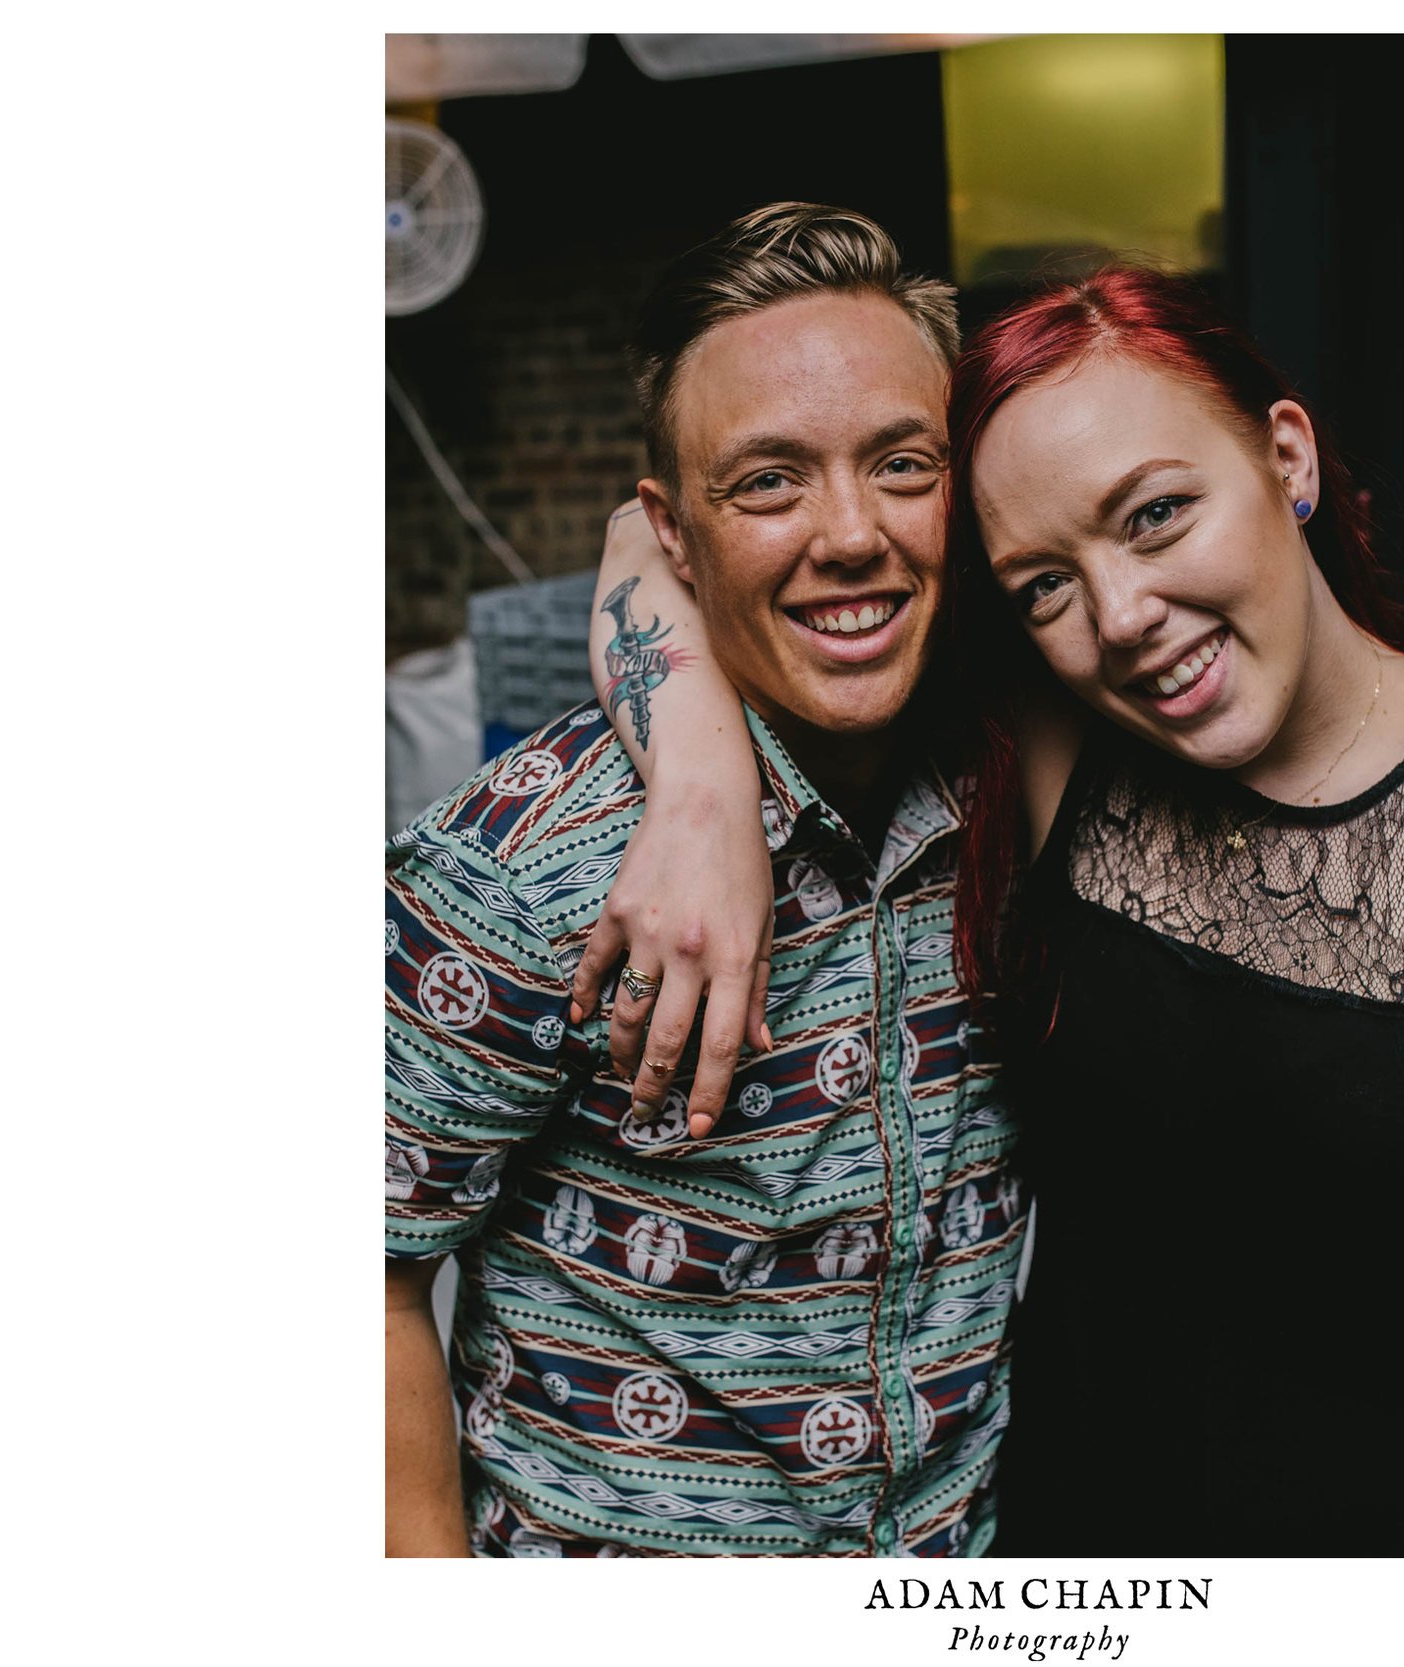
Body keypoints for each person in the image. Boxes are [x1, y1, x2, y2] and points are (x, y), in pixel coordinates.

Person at [577, 265, 1404, 1556]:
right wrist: (703, 800)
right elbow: (663, 549)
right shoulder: (1062, 745)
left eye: (1158, 515)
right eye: (1044, 583)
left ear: (1286, 455)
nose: (1122, 619)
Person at [384, 203, 1025, 1557]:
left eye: (902, 464)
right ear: (675, 533)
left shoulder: (1018, 782)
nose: (851, 534)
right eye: (770, 482)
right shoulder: (520, 868)